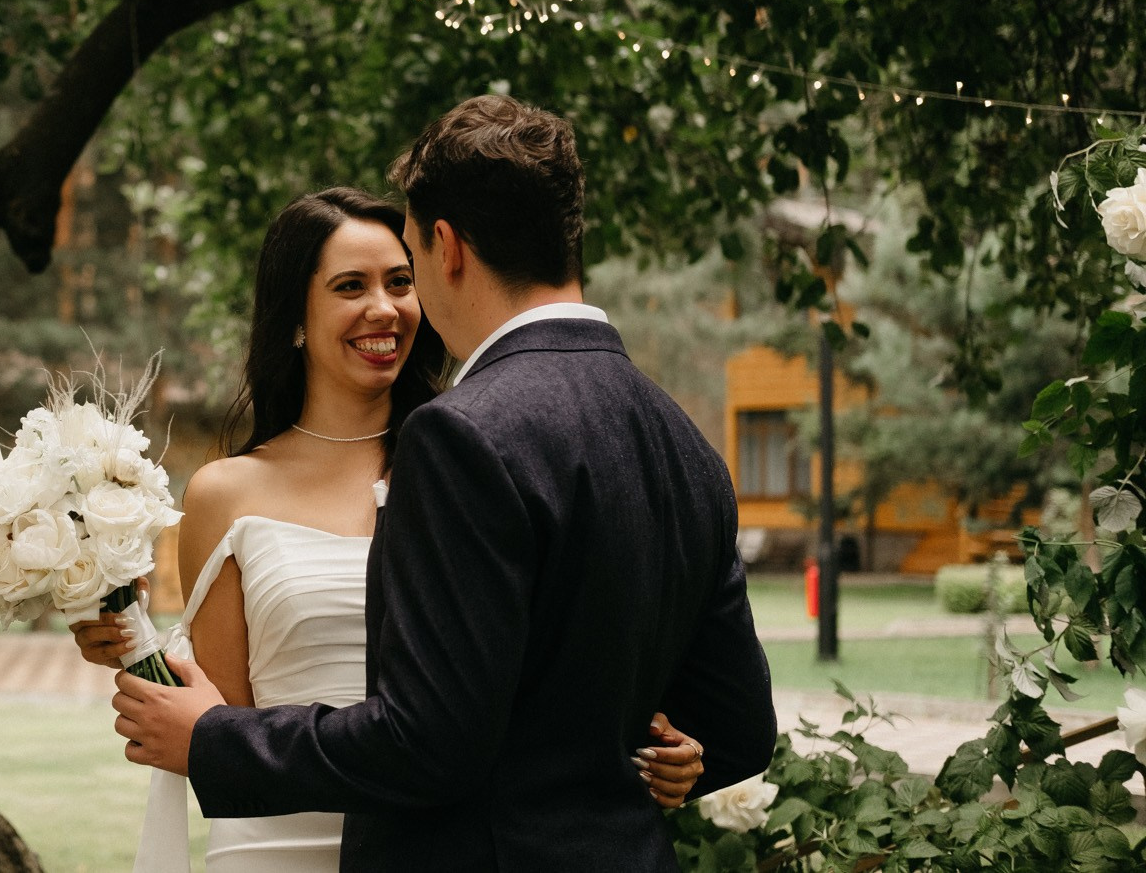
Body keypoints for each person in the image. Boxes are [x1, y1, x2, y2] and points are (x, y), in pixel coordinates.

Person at [108, 96, 777, 871]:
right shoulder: (682, 442)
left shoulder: (461, 433)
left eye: (409, 267)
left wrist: (212, 738)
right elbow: (738, 726)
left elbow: (429, 742)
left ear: (447, 247)